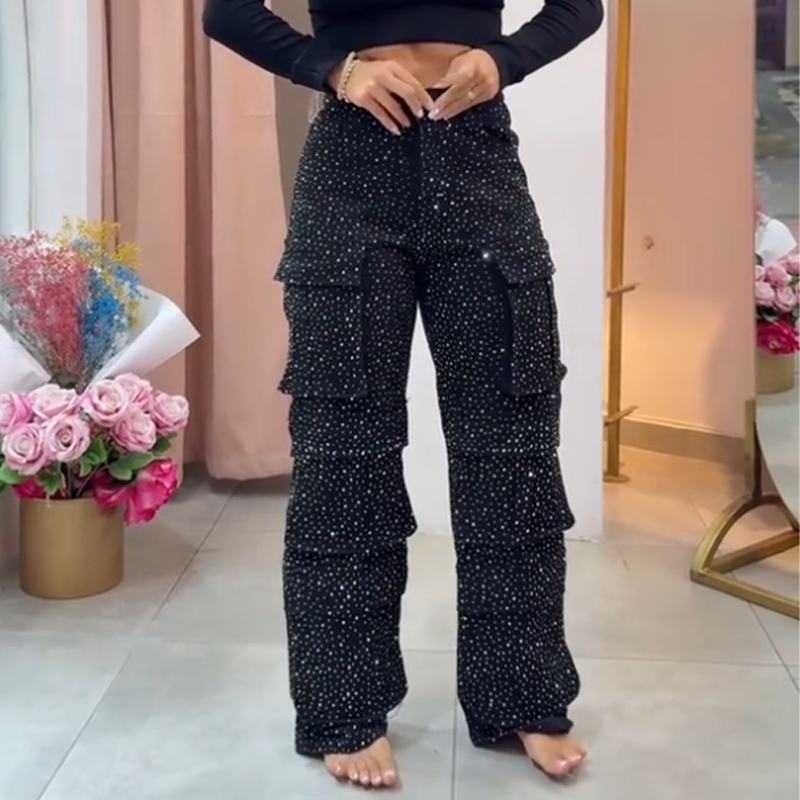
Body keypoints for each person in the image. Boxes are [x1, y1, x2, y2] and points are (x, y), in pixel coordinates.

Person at [202, 0, 603, 789]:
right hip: (350, 170)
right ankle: (344, 708)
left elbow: (579, 8)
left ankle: (522, 693)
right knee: (343, 457)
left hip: (478, 157)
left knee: (513, 453)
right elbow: (227, 11)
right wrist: (334, 69)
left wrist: (504, 61)